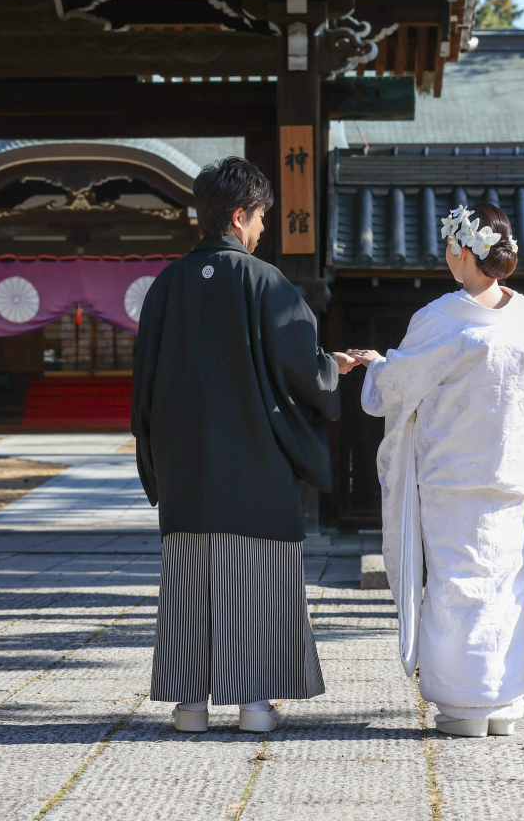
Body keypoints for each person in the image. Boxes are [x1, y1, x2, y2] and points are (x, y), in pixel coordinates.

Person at [132, 156, 357, 735]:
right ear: (238, 216)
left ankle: (189, 705)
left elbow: (145, 383)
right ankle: (255, 705)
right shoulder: (265, 282)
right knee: (256, 582)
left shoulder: (165, 286)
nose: (261, 230)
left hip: (186, 470)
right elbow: (300, 369)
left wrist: (156, 463)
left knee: (189, 582)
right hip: (256, 468)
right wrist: (332, 368)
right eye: (259, 218)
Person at [347, 201, 524, 738]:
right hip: (511, 476)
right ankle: (503, 700)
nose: (447, 256)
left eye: (450, 247)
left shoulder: (440, 318)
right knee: (506, 584)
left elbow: (397, 386)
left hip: (451, 477)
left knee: (457, 585)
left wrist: (376, 365)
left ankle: (466, 704)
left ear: (462, 252)